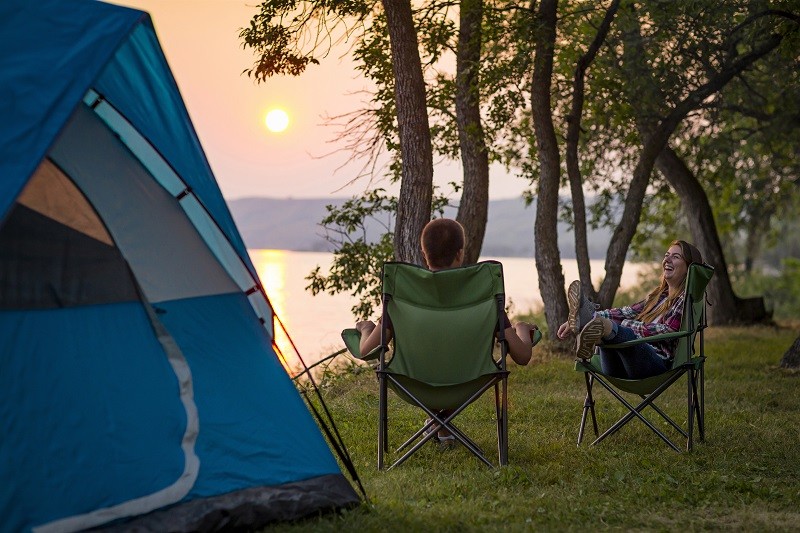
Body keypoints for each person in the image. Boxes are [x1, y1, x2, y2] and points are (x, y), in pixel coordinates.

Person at [355, 218, 540, 445]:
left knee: (433, 356)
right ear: (460, 254)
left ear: (424, 255)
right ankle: (440, 423)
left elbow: (366, 350)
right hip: (468, 384)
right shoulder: (483, 301)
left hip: (414, 384)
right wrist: (521, 328)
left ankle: (437, 422)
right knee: (455, 359)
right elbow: (522, 356)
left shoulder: (404, 299)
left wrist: (367, 328)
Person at [557, 240, 704, 379]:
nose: (667, 259)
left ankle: (593, 323)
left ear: (689, 268)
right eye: (666, 255)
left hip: (653, 366)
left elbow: (669, 331)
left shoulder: (685, 299)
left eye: (676, 256)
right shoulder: (657, 297)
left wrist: (626, 326)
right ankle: (590, 320)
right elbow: (625, 312)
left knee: (612, 329)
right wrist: (578, 319)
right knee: (605, 328)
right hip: (618, 366)